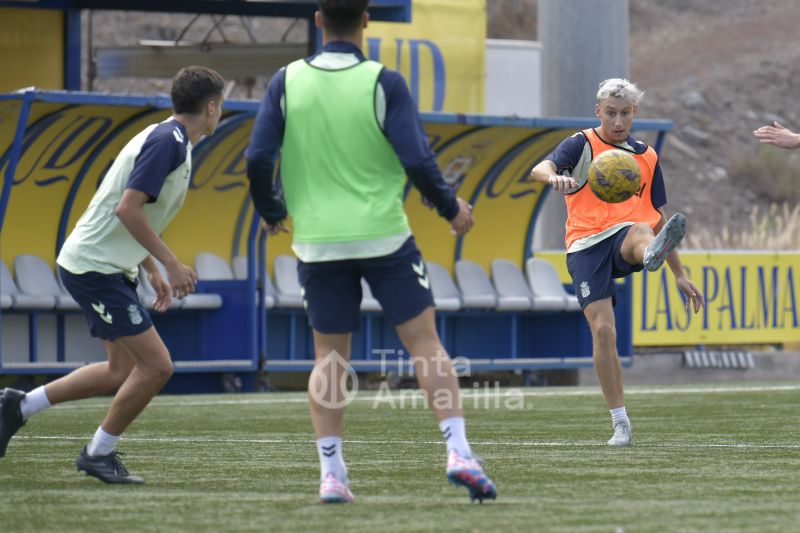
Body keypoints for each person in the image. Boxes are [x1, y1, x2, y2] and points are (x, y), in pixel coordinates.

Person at [245, 0, 496, 504]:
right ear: (366, 20)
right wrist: (451, 210)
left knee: (329, 358)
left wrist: (272, 210)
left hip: (318, 242)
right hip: (384, 236)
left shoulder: (286, 81)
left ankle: (332, 474)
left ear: (318, 20)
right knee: (425, 343)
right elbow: (418, 160)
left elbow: (257, 159)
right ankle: (459, 452)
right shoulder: (385, 82)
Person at [0, 66, 225, 483]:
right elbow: (126, 208)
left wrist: (150, 268)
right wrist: (172, 265)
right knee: (158, 367)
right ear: (211, 107)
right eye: (221, 105)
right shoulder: (168, 142)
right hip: (93, 268)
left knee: (120, 371)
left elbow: (120, 205)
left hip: (107, 266)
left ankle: (17, 406)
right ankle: (97, 453)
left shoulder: (172, 140)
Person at [530, 78, 705, 446]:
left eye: (625, 113)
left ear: (634, 113)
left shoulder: (646, 156)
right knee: (604, 331)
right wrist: (554, 178)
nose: (618, 121)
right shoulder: (580, 144)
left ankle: (649, 254)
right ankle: (620, 422)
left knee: (642, 226)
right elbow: (538, 169)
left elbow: (661, 218)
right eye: (611, 113)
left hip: (627, 235)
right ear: (598, 111)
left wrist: (679, 274)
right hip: (584, 245)